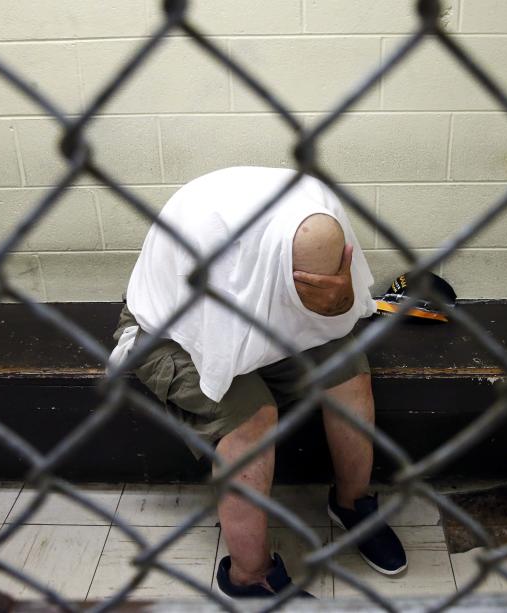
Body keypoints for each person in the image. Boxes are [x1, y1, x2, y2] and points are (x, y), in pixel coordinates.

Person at [109, 166, 407, 598]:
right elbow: (221, 356)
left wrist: (334, 296)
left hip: (266, 318)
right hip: (174, 330)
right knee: (251, 416)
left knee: (349, 371)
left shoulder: (322, 208)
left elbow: (350, 307)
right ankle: (248, 576)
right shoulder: (210, 235)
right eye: (301, 288)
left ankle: (351, 502)